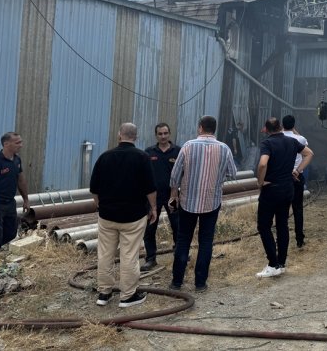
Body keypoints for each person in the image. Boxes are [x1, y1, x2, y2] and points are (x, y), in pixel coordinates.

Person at [90, 123, 156, 308]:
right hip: (133, 216)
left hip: (107, 216)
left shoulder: (104, 157)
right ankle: (127, 296)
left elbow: (94, 189)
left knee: (105, 254)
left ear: (119, 135)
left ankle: (104, 293)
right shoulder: (142, 158)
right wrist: (154, 208)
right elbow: (150, 188)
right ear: (136, 137)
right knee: (129, 255)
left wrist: (99, 205)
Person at [169, 115, 236, 292]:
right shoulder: (224, 149)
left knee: (183, 240)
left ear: (200, 128)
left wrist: (173, 195)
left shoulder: (188, 146)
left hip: (187, 201)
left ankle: (177, 281)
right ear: (214, 129)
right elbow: (232, 173)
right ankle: (200, 283)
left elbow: (175, 175)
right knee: (206, 241)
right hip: (211, 201)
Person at [255, 117, 313, 278]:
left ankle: (272, 264)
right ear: (280, 127)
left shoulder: (267, 143)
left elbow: (262, 163)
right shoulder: (292, 141)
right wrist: (298, 170)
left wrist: (260, 181)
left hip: (271, 189)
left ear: (266, 130)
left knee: (264, 226)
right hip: (288, 188)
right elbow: (309, 154)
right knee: (282, 225)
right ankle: (281, 263)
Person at [0, 132, 30, 283]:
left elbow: (21, 180)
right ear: (7, 144)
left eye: (21, 142)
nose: (21, 145)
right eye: (17, 142)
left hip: (10, 204)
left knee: (11, 233)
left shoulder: (17, 160)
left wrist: (26, 199)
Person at [141, 123, 181, 271]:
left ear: (169, 134)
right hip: (153, 197)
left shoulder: (178, 151)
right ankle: (151, 259)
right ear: (156, 135)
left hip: (172, 195)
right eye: (160, 134)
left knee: (177, 226)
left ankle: (179, 253)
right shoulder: (149, 152)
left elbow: (184, 173)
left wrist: (176, 192)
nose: (163, 136)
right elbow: (143, 174)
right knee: (150, 228)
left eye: (165, 133)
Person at [282, 115, 308, 249]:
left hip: (283, 177)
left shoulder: (278, 138)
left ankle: (281, 239)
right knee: (298, 209)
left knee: (282, 210)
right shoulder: (300, 139)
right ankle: (299, 239)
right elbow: (306, 152)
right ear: (294, 125)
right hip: (297, 176)